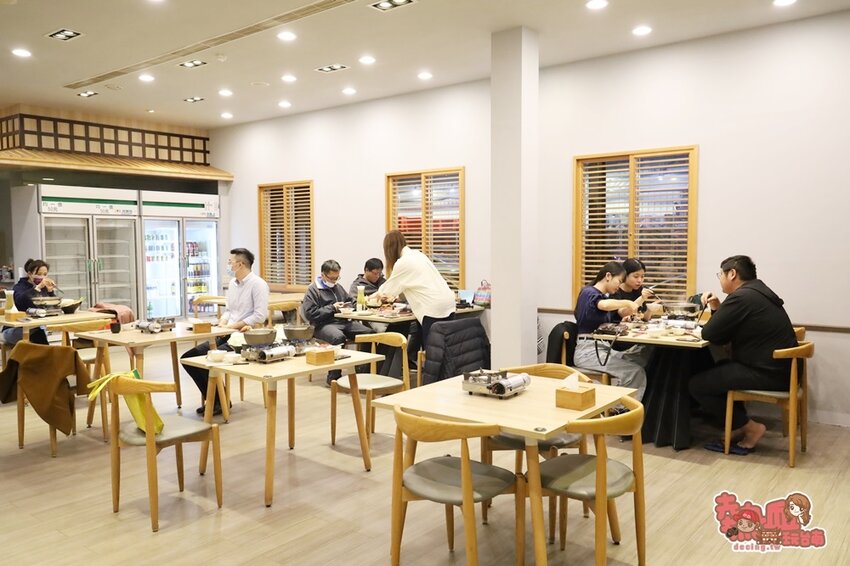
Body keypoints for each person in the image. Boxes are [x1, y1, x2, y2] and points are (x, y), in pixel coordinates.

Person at [689, 255, 797, 454]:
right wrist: (717, 308)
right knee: (718, 369)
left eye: (720, 274)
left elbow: (710, 333)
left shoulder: (742, 297)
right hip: (781, 370)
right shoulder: (758, 292)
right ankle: (738, 425)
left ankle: (751, 428)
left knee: (698, 384)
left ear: (732, 274)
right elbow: (721, 334)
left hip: (768, 373)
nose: (720, 279)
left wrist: (718, 310)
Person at [181, 248, 268, 416]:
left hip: (245, 337)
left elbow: (259, 316)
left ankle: (219, 401)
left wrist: (232, 327)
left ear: (240, 264)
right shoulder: (233, 284)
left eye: (230, 262)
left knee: (207, 359)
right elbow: (229, 311)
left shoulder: (258, 284)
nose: (228, 265)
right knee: (189, 358)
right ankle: (217, 400)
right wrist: (222, 324)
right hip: (228, 332)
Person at [573, 261, 650, 401]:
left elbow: (608, 313)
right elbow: (603, 305)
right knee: (635, 372)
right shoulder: (589, 292)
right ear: (608, 276)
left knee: (641, 357)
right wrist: (626, 302)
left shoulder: (602, 296)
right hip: (588, 352)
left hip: (603, 348)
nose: (619, 286)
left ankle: (623, 403)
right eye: (619, 281)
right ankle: (620, 409)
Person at [375, 230, 456, 350]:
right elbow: (410, 285)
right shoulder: (418, 255)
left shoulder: (403, 262)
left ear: (389, 250)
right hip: (447, 303)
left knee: (433, 351)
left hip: (433, 308)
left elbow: (387, 290)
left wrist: (370, 297)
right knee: (446, 349)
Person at [301, 259, 373, 384]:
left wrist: (353, 305)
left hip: (343, 321)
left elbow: (350, 300)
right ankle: (334, 378)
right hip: (322, 325)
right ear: (323, 275)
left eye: (337, 278)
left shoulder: (338, 287)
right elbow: (310, 314)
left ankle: (362, 371)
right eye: (332, 278)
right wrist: (332, 308)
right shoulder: (314, 290)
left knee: (369, 334)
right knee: (338, 337)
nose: (334, 281)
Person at [1, 259, 57, 346]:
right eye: (39, 274)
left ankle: (43, 353)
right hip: (14, 329)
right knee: (38, 333)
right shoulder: (19, 287)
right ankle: (45, 352)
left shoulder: (43, 288)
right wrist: (37, 288)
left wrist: (50, 292)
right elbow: (21, 301)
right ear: (30, 274)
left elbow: (52, 307)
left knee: (38, 332)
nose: (42, 277)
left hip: (36, 326)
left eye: (45, 274)